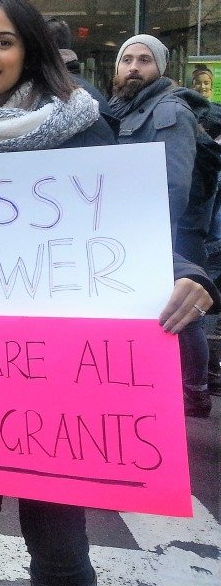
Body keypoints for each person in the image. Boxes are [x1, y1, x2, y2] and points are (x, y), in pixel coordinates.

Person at [0, 0, 218, 586]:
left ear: (30, 51)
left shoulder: (84, 132)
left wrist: (188, 274)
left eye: (2, 41)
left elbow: (128, 230)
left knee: (59, 535)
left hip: (59, 376)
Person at [109, 34, 217, 417]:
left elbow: (173, 185)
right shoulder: (126, 107)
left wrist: (149, 242)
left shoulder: (169, 112)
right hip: (137, 231)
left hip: (162, 234)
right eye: (127, 60)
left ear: (161, 68)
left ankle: (195, 389)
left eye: (144, 60)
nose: (134, 67)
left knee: (181, 313)